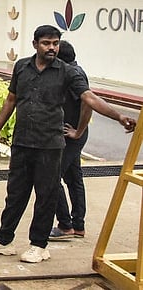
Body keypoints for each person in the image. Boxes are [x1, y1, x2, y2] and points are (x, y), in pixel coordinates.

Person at [0, 25, 136, 263]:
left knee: (46, 195)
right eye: (46, 43)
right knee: (15, 194)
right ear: (35, 45)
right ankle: (3, 240)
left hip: (50, 145)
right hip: (22, 143)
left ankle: (38, 245)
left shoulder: (66, 72)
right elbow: (12, 99)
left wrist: (119, 116)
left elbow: (89, 98)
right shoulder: (22, 67)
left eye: (55, 43)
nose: (51, 48)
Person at [49, 41, 91, 241]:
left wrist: (78, 131)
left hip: (71, 137)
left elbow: (88, 103)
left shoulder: (73, 74)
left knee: (51, 176)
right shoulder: (72, 70)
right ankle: (78, 225)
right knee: (74, 179)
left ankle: (65, 225)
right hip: (68, 135)